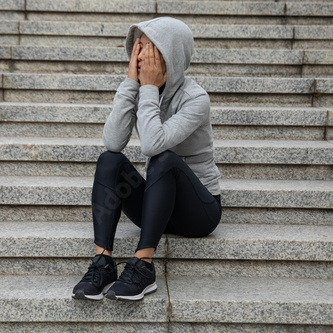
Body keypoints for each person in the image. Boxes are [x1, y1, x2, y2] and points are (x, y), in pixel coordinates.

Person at [72, 17, 222, 301]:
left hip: (199, 212)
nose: (141, 57)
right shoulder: (140, 89)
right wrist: (131, 83)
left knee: (164, 160)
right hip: (157, 207)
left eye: (150, 50)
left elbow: (153, 145)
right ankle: (103, 263)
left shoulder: (196, 99)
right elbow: (113, 142)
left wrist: (149, 88)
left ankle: (143, 266)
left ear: (171, 57)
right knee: (109, 160)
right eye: (138, 48)